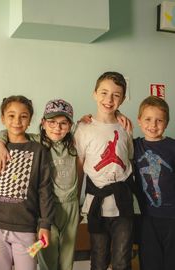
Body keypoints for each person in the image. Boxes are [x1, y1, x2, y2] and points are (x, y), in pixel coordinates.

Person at [0, 98, 80, 270]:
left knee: (67, 258)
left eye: (63, 123)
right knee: (46, 254)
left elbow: (92, 127)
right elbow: (8, 132)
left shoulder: (76, 142)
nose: (57, 127)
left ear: (70, 125)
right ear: (42, 123)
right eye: (52, 122)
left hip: (70, 207)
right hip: (45, 208)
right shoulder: (35, 141)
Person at [0, 95, 54, 270]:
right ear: (3, 118)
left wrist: (45, 225)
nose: (17, 121)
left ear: (30, 120)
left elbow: (45, 190)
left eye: (23, 116)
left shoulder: (39, 151)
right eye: (11, 115)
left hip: (26, 229)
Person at [74, 71, 135, 270]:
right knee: (98, 258)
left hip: (123, 204)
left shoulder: (125, 126)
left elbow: (130, 159)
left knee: (122, 259)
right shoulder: (83, 128)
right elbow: (80, 168)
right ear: (94, 94)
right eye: (104, 93)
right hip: (96, 203)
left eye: (116, 95)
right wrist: (75, 200)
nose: (109, 99)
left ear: (123, 99)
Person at [133, 96, 175, 270]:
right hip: (147, 217)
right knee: (150, 261)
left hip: (172, 217)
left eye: (159, 120)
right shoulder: (135, 145)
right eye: (148, 119)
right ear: (139, 121)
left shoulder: (172, 146)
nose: (153, 125)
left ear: (166, 123)